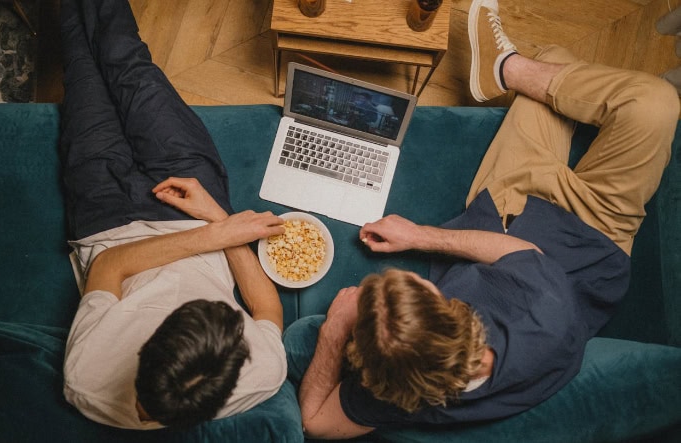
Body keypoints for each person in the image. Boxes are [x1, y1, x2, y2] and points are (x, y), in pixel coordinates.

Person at [284, 0, 680, 439]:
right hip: (587, 234)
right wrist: (419, 238)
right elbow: (521, 252)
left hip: (520, 216)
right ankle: (508, 68)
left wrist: (335, 329)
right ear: (452, 311)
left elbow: (312, 422)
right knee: (654, 101)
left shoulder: (399, 392)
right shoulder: (541, 315)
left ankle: (519, 70)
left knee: (556, 67)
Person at [59, 0, 287, 430]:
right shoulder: (264, 373)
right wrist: (217, 217)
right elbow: (265, 307)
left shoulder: (86, 378)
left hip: (104, 220)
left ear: (143, 349)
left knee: (81, 67)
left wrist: (218, 234)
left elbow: (113, 264)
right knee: (129, 66)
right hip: (196, 211)